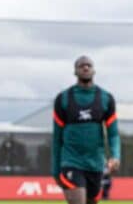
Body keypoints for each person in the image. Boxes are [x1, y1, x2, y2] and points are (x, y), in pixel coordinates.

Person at [52, 55, 121, 204]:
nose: (85, 67)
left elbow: (113, 133)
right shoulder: (63, 99)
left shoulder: (105, 98)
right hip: (71, 162)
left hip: (96, 165)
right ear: (75, 72)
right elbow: (57, 139)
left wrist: (115, 155)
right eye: (81, 65)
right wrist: (55, 170)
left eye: (89, 65)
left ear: (93, 70)